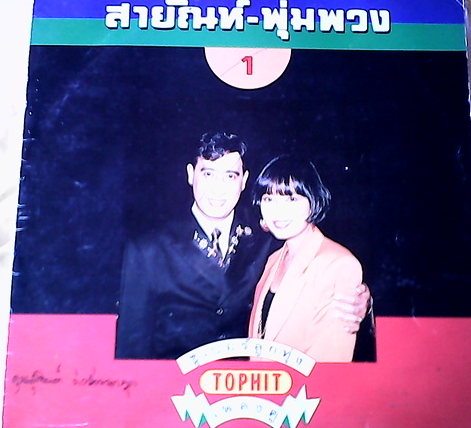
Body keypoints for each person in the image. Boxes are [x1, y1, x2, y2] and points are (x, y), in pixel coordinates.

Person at [115, 132, 371, 360]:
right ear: (191, 175)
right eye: (208, 174)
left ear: (244, 181)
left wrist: (361, 299)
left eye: (230, 175)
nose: (218, 189)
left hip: (249, 386)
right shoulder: (148, 249)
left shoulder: (269, 238)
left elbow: (319, 270)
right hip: (178, 389)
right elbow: (132, 342)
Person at [249, 155, 364, 362]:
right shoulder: (273, 260)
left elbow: (334, 362)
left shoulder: (339, 264)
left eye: (291, 199)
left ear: (313, 202)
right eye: (268, 199)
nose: (278, 210)